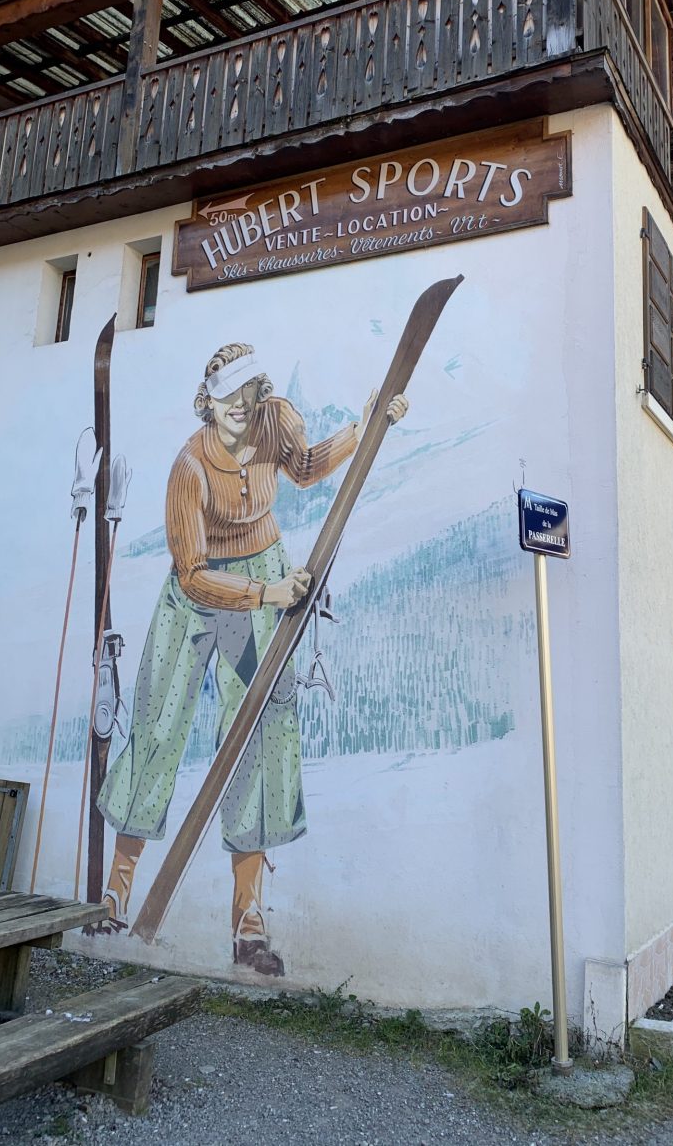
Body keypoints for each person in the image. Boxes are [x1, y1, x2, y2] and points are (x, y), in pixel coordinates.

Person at [95, 342, 407, 975]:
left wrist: (365, 423)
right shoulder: (189, 467)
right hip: (201, 594)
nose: (239, 404)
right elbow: (191, 575)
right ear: (206, 399)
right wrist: (265, 592)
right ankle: (118, 893)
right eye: (226, 392)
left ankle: (248, 919)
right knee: (156, 729)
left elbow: (307, 465)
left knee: (260, 732)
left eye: (248, 389)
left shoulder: (275, 418)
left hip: (264, 572)